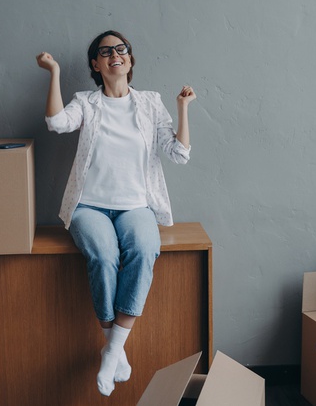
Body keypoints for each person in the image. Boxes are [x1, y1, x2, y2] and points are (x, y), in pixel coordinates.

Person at [36, 30, 196, 397]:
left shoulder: (151, 103)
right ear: (95, 64)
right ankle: (115, 348)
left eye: (121, 50)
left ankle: (111, 350)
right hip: (89, 205)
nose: (114, 56)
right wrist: (55, 72)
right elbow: (57, 123)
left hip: (135, 205)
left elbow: (179, 153)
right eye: (105, 52)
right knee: (103, 255)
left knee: (143, 249)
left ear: (130, 59)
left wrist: (183, 109)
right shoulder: (86, 102)